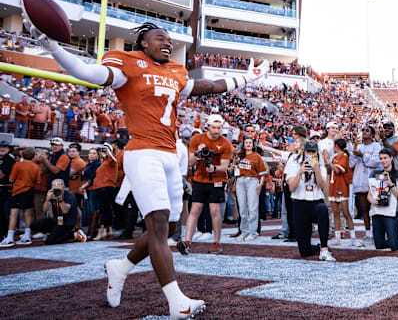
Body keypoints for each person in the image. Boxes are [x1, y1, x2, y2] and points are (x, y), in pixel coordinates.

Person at [26, 18, 268, 318]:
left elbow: (209, 86)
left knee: (166, 228)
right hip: (143, 153)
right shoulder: (128, 63)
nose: (167, 43)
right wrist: (52, 47)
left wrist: (248, 78)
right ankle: (176, 301)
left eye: (169, 40)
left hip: (169, 153)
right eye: (160, 38)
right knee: (155, 226)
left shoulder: (176, 71)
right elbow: (88, 73)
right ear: (143, 42)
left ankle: (121, 267)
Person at [180, 114, 233, 254]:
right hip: (200, 179)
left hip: (217, 179)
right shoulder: (197, 139)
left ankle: (216, 242)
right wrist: (198, 153)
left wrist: (214, 168)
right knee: (195, 210)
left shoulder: (226, 143)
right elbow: (190, 163)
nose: (216, 131)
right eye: (214, 127)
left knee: (214, 211)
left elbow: (225, 165)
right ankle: (187, 241)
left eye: (219, 128)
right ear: (208, 127)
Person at [286, 141, 335, 261]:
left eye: (313, 152)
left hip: (315, 202)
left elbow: (322, 185)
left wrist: (317, 169)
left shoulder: (320, 165)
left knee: (323, 210)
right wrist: (300, 172)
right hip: (299, 203)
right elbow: (291, 188)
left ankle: (324, 249)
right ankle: (315, 247)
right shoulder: (293, 161)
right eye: (309, 151)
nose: (311, 154)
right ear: (304, 151)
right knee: (305, 251)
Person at [367, 148, 398, 251]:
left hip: (391, 212)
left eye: (385, 158)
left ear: (391, 158)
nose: (383, 160)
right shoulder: (376, 173)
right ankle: (396, 239)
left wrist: (390, 184)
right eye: (381, 158)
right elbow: (369, 194)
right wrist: (372, 201)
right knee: (379, 245)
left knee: (394, 246)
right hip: (377, 211)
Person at [0, 147, 40, 247]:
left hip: (18, 191)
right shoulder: (35, 166)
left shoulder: (17, 165)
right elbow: (38, 180)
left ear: (22, 155)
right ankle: (27, 236)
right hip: (30, 190)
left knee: (13, 214)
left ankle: (9, 237)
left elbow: (11, 179)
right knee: (28, 213)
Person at [231, 137, 267, 241]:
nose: (248, 144)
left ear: (253, 145)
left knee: (252, 207)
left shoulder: (257, 156)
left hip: (252, 180)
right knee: (242, 208)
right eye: (246, 142)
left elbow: (262, 172)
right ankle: (244, 231)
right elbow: (233, 169)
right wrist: (235, 162)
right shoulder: (239, 156)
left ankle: (253, 232)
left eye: (250, 143)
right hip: (240, 180)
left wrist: (260, 184)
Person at [349, 125, 381, 242]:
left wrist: (362, 155)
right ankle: (368, 233)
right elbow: (351, 164)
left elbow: (375, 162)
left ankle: (378, 232)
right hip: (360, 179)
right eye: (363, 130)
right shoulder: (358, 147)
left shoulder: (376, 146)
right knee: (364, 209)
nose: (364, 132)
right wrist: (354, 149)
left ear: (372, 134)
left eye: (367, 130)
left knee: (375, 207)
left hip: (371, 179)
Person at [327, 138, 361, 247]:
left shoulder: (344, 157)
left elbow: (338, 170)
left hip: (341, 186)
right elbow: (331, 170)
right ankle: (337, 237)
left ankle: (353, 238)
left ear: (337, 146)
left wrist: (328, 161)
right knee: (336, 212)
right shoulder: (335, 157)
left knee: (346, 213)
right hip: (333, 186)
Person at [30, 179, 82, 244]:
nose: (57, 189)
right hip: (56, 221)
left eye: (59, 186)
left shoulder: (70, 195)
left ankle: (73, 235)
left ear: (64, 187)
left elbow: (65, 211)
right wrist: (47, 199)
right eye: (54, 187)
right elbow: (44, 210)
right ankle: (53, 233)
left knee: (49, 241)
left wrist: (60, 199)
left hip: (67, 223)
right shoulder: (52, 194)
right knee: (34, 225)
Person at [66, 143, 86, 232]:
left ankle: (78, 227)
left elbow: (68, 174)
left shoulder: (78, 162)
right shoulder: (70, 161)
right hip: (71, 189)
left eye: (73, 151)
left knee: (76, 209)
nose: (71, 153)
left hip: (77, 189)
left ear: (78, 152)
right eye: (69, 151)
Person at [0, 139, 16, 238]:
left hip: (6, 190)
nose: (2, 149)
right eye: (0, 147)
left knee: (5, 213)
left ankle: (6, 235)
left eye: (4, 147)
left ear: (9, 149)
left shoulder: (9, 160)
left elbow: (1, 175)